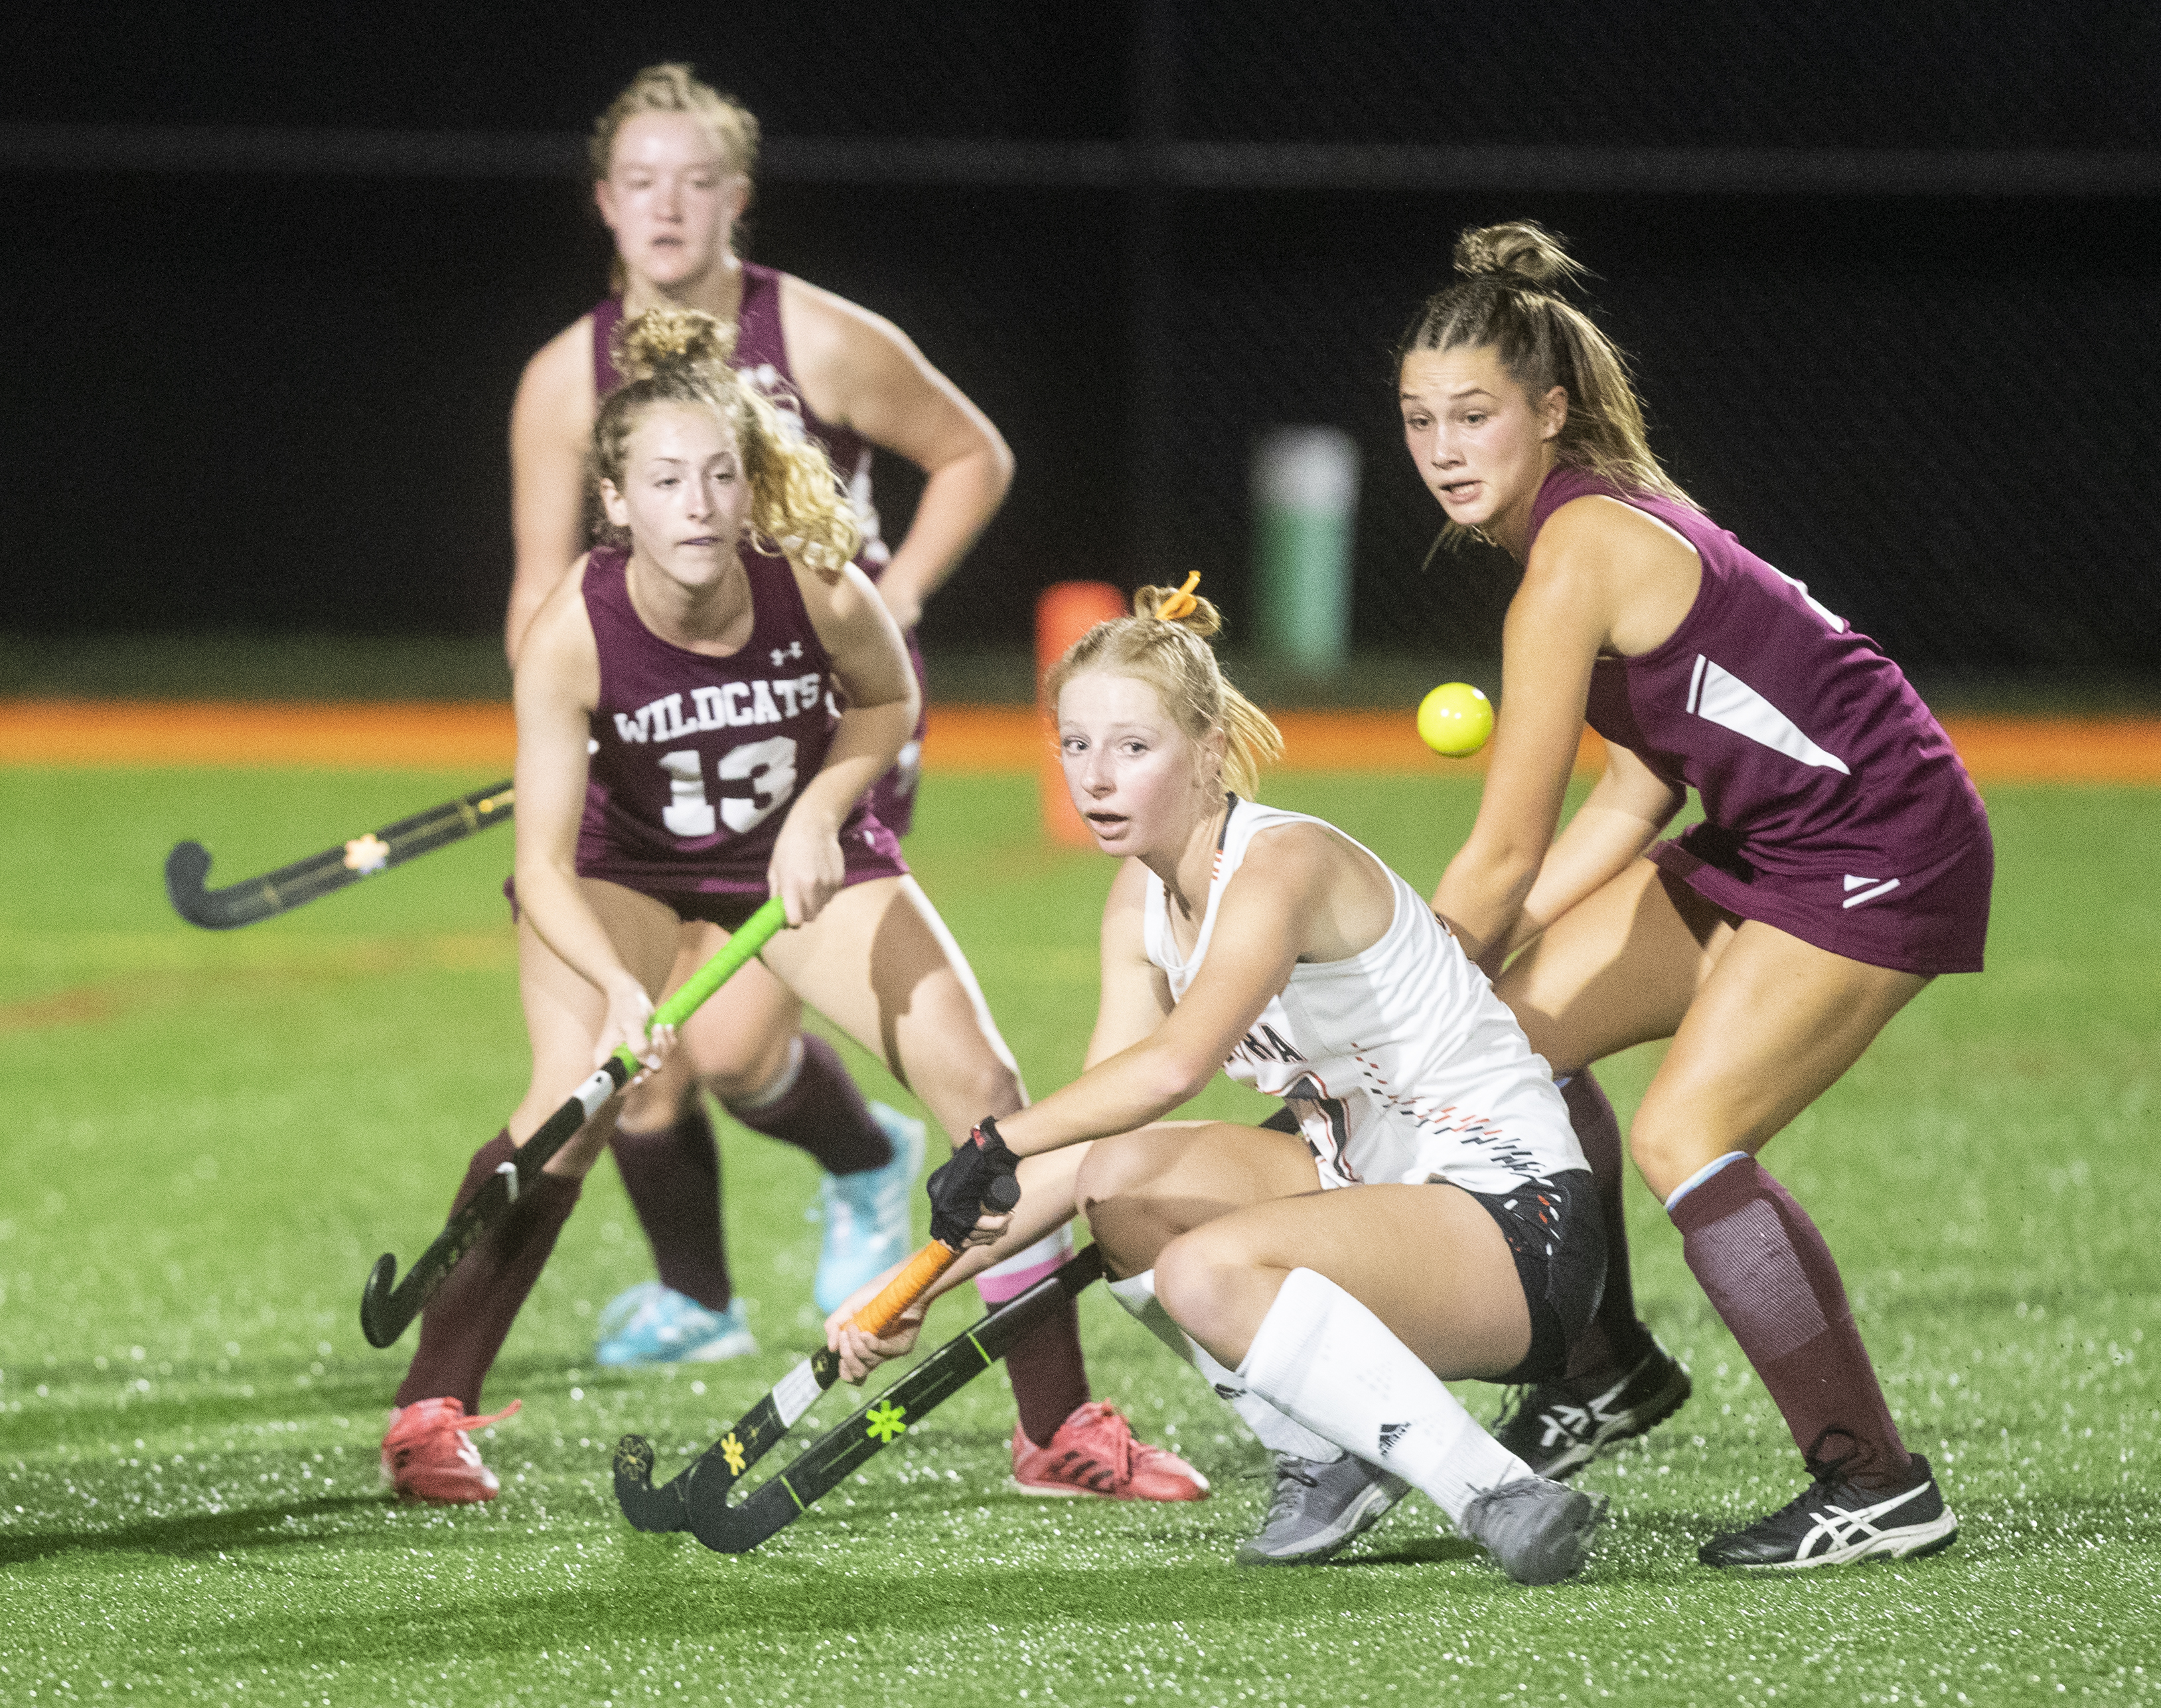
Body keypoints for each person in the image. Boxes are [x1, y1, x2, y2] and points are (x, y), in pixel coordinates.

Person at [378, 311, 1203, 1506]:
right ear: (616, 500)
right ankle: (430, 1413)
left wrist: (821, 813)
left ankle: (1058, 1429)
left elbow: (885, 702)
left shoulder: (816, 581)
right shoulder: (572, 634)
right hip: (623, 866)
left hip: (799, 853)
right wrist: (621, 993)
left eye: (720, 473)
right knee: (572, 1102)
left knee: (987, 1091)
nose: (699, 503)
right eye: (666, 480)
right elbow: (547, 864)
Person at [504, 69, 1102, 1477]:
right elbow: (542, 583)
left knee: (730, 1043)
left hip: (818, 731)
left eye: (694, 180)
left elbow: (971, 455)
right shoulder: (562, 378)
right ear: (604, 201)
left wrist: (883, 602)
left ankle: (899, 1209)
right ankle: (712, 1284)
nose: (666, 207)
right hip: (661, 745)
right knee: (657, 1049)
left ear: (736, 198)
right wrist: (559, 715)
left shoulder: (814, 337)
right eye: (639, 181)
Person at [1396, 222, 1984, 1569]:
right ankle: (1600, 1367)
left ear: (1547, 413)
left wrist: (1399, 986)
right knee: (1506, 1040)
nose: (1441, 447)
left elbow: (1496, 856)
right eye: (1420, 419)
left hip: (1878, 836)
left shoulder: (1572, 559)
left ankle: (1875, 1481)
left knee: (1684, 1133)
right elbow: (1632, 792)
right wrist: (1471, 974)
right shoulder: (1590, 521)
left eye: (1472, 416)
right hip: (1772, 837)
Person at [829, 583, 1610, 1586]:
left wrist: (999, 1139)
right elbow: (1087, 1143)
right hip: (1372, 1192)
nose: (1096, 779)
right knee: (1123, 1187)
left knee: (1207, 1270)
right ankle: (1326, 1453)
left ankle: (1496, 1487)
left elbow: (1172, 1066)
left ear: (1206, 752)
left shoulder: (1282, 865)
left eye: (1133, 748)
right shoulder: (1140, 902)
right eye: (1075, 745)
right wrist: (908, 1290)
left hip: (1520, 1227)